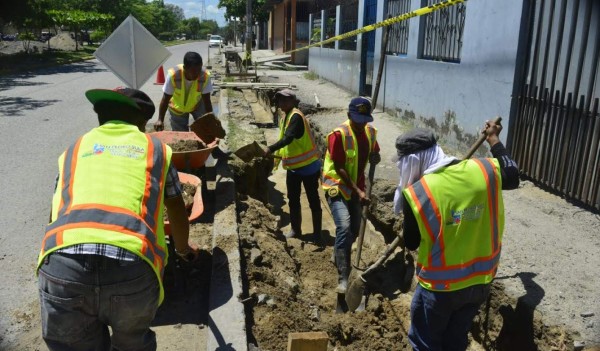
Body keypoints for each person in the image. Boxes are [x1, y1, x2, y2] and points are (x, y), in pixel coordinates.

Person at [37, 87, 199, 351]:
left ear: (100, 117)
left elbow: (56, 211)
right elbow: (176, 207)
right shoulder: (154, 149)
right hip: (132, 267)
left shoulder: (74, 149)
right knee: (132, 344)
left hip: (62, 268)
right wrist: (182, 250)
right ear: (141, 122)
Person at [394, 121, 520, 350]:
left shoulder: (416, 194)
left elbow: (411, 242)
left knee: (425, 344)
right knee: (455, 342)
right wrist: (493, 140)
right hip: (479, 282)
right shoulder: (483, 170)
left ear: (411, 162)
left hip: (439, 288)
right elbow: (512, 174)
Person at [322, 97, 381, 293]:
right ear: (349, 115)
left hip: (358, 186)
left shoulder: (370, 132)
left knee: (354, 229)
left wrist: (375, 156)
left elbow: (375, 151)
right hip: (337, 186)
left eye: (365, 119)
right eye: (357, 119)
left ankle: (338, 252)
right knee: (344, 227)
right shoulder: (337, 135)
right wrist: (357, 190)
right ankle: (343, 278)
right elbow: (339, 167)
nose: (361, 124)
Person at [264, 89, 322, 242]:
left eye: (285, 100)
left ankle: (317, 234)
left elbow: (288, 138)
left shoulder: (296, 117)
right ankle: (296, 230)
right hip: (294, 168)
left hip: (308, 167)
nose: (282, 103)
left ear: (293, 101)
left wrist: (270, 148)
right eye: (280, 100)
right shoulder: (285, 116)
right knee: (293, 199)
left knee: (313, 200)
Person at [154, 51, 213, 132]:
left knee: (203, 129)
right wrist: (160, 119)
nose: (197, 74)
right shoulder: (174, 75)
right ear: (185, 68)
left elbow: (207, 100)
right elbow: (165, 99)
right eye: (193, 72)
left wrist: (211, 118)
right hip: (178, 109)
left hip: (197, 105)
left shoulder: (205, 76)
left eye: (199, 70)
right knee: (181, 137)